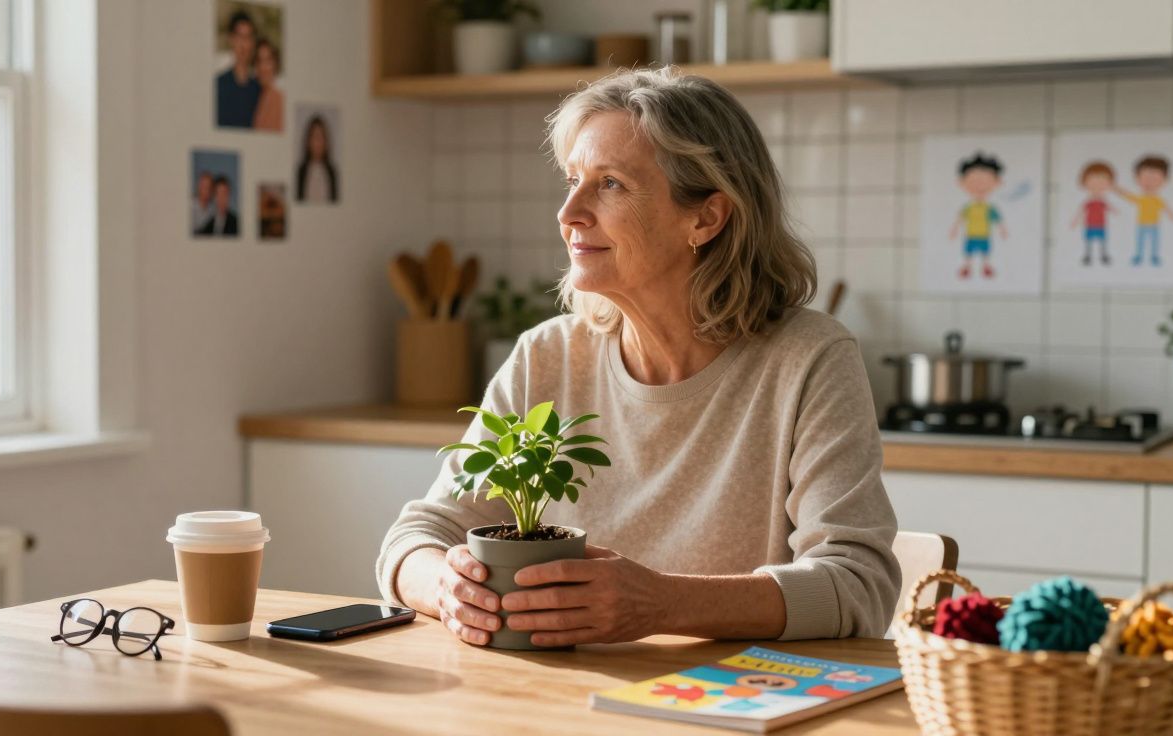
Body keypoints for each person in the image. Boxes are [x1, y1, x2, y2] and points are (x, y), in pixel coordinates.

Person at [375, 67, 899, 648]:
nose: (569, 211)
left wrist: (662, 603)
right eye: (572, 180)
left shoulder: (809, 359)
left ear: (705, 218)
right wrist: (445, 587)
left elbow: (859, 584)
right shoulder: (547, 355)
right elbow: (417, 537)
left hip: (725, 704)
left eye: (611, 184)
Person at [948, 153, 1007, 280]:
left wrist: (1002, 230)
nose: (980, 186)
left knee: (985, 252)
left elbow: (997, 220)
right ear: (962, 183)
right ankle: (967, 267)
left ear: (997, 183)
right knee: (968, 252)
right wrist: (954, 230)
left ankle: (986, 266)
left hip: (984, 234)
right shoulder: (968, 208)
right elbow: (960, 219)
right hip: (971, 234)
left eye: (985, 182)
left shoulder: (989, 208)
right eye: (974, 182)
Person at [1115, 155, 1173, 267]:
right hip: (1142, 224)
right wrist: (1118, 190)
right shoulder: (1141, 198)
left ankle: (1154, 256)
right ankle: (1139, 255)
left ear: (1165, 180)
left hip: (1154, 225)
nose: (1149, 183)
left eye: (1155, 179)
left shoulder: (1158, 199)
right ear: (1137, 178)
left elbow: (1165, 208)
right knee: (1140, 241)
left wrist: (1172, 216)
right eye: (1145, 178)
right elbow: (1129, 196)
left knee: (1154, 242)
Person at [215, 10, 261, 128]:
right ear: (231, 40)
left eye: (248, 37)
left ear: (253, 42)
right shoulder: (219, 85)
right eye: (239, 37)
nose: (243, 44)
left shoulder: (259, 89)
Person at [1070, 161, 1118, 267]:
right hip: (1090, 224)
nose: (1097, 184)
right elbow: (1081, 212)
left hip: (1101, 224)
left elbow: (1112, 210)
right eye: (1093, 180)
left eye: (1102, 181)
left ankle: (1103, 255)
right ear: (1084, 182)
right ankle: (1088, 256)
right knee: (1089, 241)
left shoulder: (1103, 201)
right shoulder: (1088, 202)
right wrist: (1075, 221)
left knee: (1102, 241)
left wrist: (1118, 213)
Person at [295, 116, 338, 203]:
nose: (318, 143)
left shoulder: (332, 172)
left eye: (321, 137)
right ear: (308, 141)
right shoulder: (301, 172)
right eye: (315, 137)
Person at [252, 39, 284, 132]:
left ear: (275, 64)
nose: (262, 67)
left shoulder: (280, 99)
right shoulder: (258, 97)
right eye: (259, 61)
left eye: (267, 61)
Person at [192, 171, 214, 235]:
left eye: (209, 187)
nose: (207, 190)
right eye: (204, 186)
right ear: (199, 187)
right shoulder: (191, 205)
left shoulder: (213, 209)